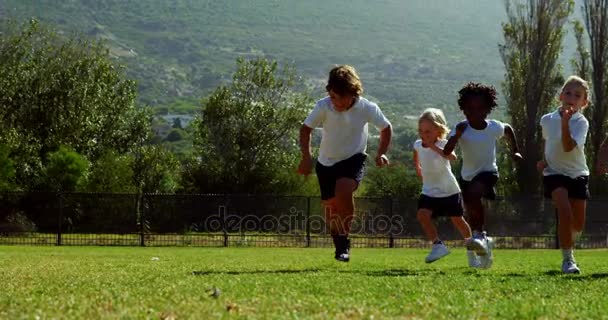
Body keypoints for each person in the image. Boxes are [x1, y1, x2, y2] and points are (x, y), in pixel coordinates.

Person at [297, 65, 392, 262]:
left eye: (340, 97)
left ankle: (343, 241)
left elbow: (386, 127)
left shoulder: (367, 108)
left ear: (353, 92)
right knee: (331, 209)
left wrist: (381, 153)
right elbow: (305, 129)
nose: (336, 102)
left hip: (353, 159)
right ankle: (339, 243)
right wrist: (306, 158)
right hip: (326, 163)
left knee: (344, 190)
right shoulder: (324, 106)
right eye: (333, 96)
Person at [443, 82, 522, 269]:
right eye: (469, 109)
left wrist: (515, 151)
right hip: (467, 176)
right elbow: (447, 151)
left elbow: (508, 129)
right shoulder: (462, 127)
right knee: (471, 208)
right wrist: (456, 136)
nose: (473, 113)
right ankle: (484, 240)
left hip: (488, 172)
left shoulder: (493, 127)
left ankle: (478, 235)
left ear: (487, 110)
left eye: (479, 109)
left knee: (474, 194)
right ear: (463, 109)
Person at [413, 108, 484, 264]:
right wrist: (418, 168)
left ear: (439, 130)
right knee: (422, 215)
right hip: (429, 190)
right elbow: (416, 154)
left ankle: (472, 250)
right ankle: (438, 246)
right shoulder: (418, 144)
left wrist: (433, 146)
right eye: (421, 131)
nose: (424, 135)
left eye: (428, 132)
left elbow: (452, 157)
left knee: (457, 220)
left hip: (448, 190)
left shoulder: (444, 144)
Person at [538, 75, 590, 274]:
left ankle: (569, 238)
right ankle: (568, 260)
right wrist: (543, 160)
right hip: (554, 173)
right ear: (560, 96)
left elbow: (568, 147)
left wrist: (565, 123)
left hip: (578, 173)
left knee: (577, 224)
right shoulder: (547, 119)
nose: (571, 97)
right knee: (564, 211)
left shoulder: (581, 123)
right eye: (568, 92)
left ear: (584, 102)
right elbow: (549, 142)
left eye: (577, 95)